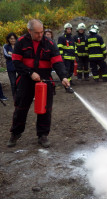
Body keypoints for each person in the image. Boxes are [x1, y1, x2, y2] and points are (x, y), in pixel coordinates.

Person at [8, 19, 70, 148]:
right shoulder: (20, 42)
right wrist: (30, 73)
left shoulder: (50, 43)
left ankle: (42, 135)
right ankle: (15, 133)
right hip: (26, 79)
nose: (40, 35)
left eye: (41, 32)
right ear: (29, 31)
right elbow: (16, 62)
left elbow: (57, 62)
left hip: (44, 80)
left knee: (45, 109)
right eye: (37, 33)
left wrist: (63, 77)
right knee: (21, 108)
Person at [58, 23, 75, 92]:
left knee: (71, 71)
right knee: (66, 71)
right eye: (68, 29)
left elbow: (74, 47)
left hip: (72, 57)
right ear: (65, 29)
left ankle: (69, 81)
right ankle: (66, 83)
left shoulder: (72, 38)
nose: (69, 30)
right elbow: (59, 47)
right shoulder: (62, 38)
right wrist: (61, 56)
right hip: (66, 57)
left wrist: (76, 54)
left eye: (70, 29)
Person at [3, 32, 18, 98]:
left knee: (22, 81)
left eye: (14, 38)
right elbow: (6, 55)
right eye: (11, 39)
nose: (13, 40)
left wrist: (11, 54)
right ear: (8, 39)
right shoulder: (5, 46)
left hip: (19, 66)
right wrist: (16, 55)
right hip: (11, 66)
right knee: (13, 83)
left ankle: (21, 94)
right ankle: (15, 96)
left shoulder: (19, 45)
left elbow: (22, 55)